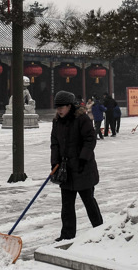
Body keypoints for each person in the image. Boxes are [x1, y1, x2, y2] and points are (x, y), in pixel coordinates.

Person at [50, 91, 103, 241]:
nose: (60, 110)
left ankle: (99, 229)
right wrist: (55, 163)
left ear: (70, 106)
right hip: (65, 170)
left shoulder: (82, 119)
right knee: (66, 205)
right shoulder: (56, 122)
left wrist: (82, 159)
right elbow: (54, 143)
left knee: (89, 202)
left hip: (83, 168)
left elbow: (90, 140)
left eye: (63, 107)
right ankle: (67, 235)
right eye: (58, 107)